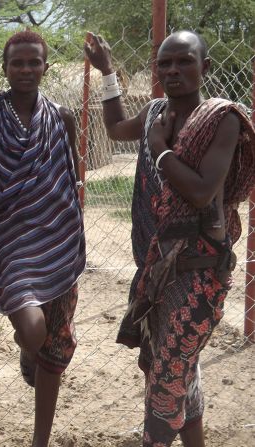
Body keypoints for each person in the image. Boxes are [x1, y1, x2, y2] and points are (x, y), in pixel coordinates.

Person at [85, 30, 255, 446]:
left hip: (197, 275)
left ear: (205, 67)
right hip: (155, 267)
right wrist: (108, 73)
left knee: (165, 383)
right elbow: (114, 129)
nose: (173, 70)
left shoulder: (221, 119)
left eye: (184, 61)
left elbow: (199, 191)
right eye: (165, 63)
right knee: (173, 372)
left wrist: (161, 150)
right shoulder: (155, 112)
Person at [0, 30, 85, 447]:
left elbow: (66, 179)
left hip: (58, 239)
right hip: (10, 241)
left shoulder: (62, 117)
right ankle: (25, 347)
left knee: (53, 354)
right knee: (35, 332)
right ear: (5, 68)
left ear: (45, 67)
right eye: (17, 62)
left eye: (34, 62)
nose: (26, 69)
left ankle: (40, 440)